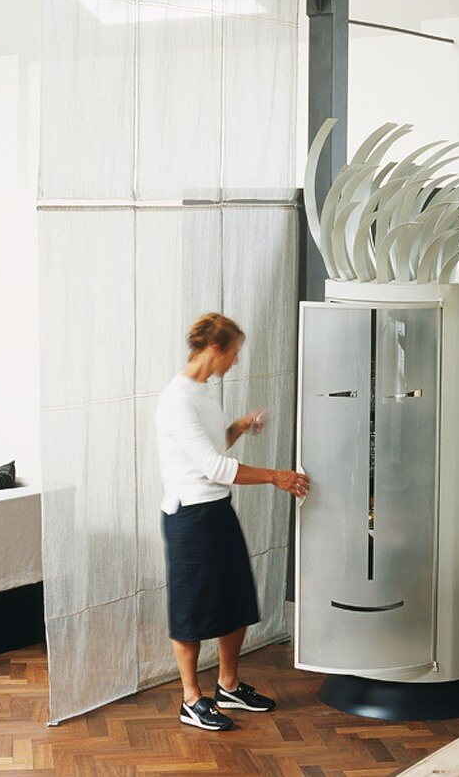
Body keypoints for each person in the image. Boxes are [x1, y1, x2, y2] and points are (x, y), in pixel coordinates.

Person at [155, 312, 310, 732]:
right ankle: (191, 699)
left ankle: (228, 684)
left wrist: (237, 427)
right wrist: (276, 476)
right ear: (216, 349)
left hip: (217, 510)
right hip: (188, 515)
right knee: (191, 610)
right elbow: (211, 466)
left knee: (236, 597)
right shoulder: (178, 399)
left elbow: (211, 447)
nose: (237, 362)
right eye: (235, 353)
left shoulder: (203, 393)